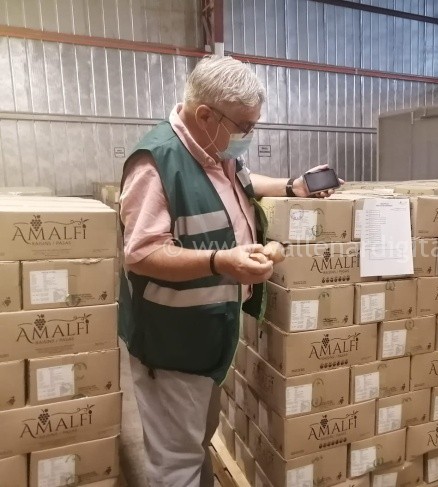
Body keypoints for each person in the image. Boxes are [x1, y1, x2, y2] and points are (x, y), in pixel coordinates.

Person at [118, 55, 338, 487]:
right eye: (243, 126)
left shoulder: (214, 152)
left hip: (209, 335)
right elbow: (141, 254)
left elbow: (245, 182)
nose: (247, 136)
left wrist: (293, 186)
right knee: (175, 460)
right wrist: (221, 261)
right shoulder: (156, 164)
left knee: (197, 441)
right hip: (172, 342)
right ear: (205, 115)